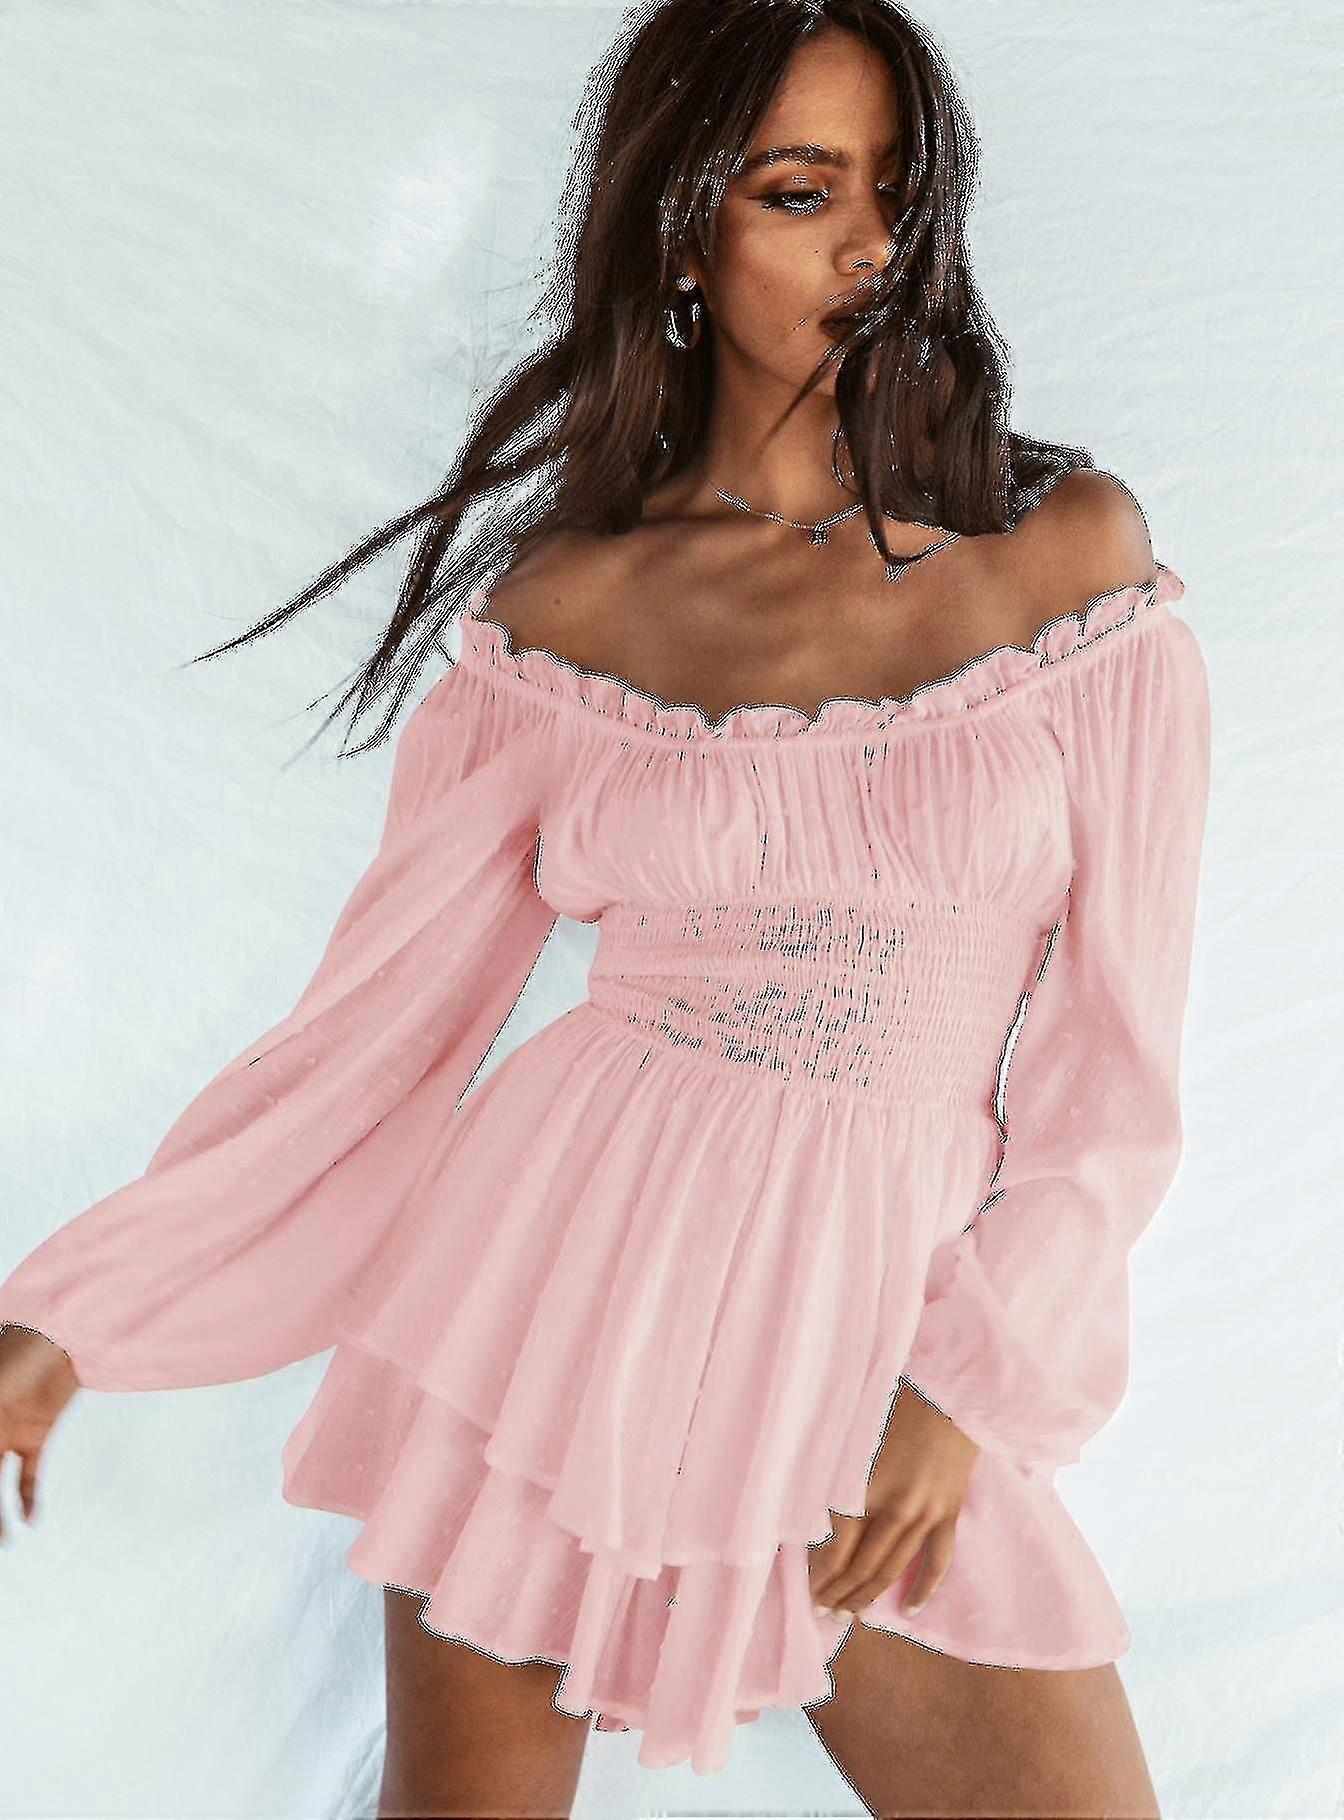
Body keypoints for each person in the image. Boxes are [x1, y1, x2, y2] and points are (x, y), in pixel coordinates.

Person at [0, 3, 1212, 1816]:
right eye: (801, 191)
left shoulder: (1065, 564)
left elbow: (1118, 1067)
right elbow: (369, 1048)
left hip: (882, 1315)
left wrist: (972, 1385)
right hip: (556, 1286)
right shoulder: (564, 618)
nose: (872, 245)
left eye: (898, 191)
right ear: (682, 234)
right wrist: (74, 1318)